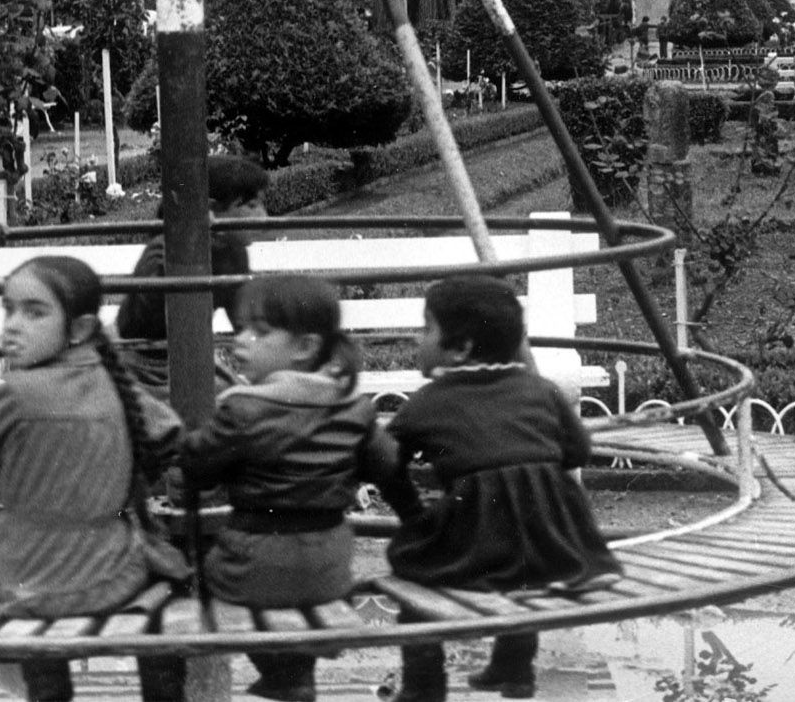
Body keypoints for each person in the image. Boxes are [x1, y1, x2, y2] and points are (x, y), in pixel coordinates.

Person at [0, 256, 190, 702]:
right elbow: (167, 435)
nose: (13, 325)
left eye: (34, 312)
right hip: (111, 575)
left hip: (27, 580)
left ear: (79, 329)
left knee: (37, 616)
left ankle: (49, 695)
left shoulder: (17, 393)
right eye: (9, 309)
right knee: (160, 588)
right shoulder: (118, 384)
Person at [385, 275, 620, 702]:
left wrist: (412, 516)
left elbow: (384, 464)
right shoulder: (541, 389)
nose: (418, 340)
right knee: (523, 575)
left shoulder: (427, 402)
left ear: (462, 347)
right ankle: (513, 670)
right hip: (556, 546)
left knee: (413, 578)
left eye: (426, 329)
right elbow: (579, 452)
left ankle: (423, 688)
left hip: (478, 544)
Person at [171, 275, 402, 702]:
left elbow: (197, 466)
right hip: (329, 567)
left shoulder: (244, 406)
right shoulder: (355, 407)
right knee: (293, 583)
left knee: (201, 561)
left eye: (258, 332)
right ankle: (293, 671)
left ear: (304, 347)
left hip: (254, 568)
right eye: (240, 328)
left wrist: (194, 441)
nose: (240, 340)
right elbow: (388, 467)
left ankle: (281, 672)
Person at [115, 154, 264, 388]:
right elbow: (143, 327)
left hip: (190, 357)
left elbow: (245, 320)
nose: (263, 217)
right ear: (211, 211)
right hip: (142, 364)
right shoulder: (164, 253)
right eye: (252, 206)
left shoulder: (232, 253)